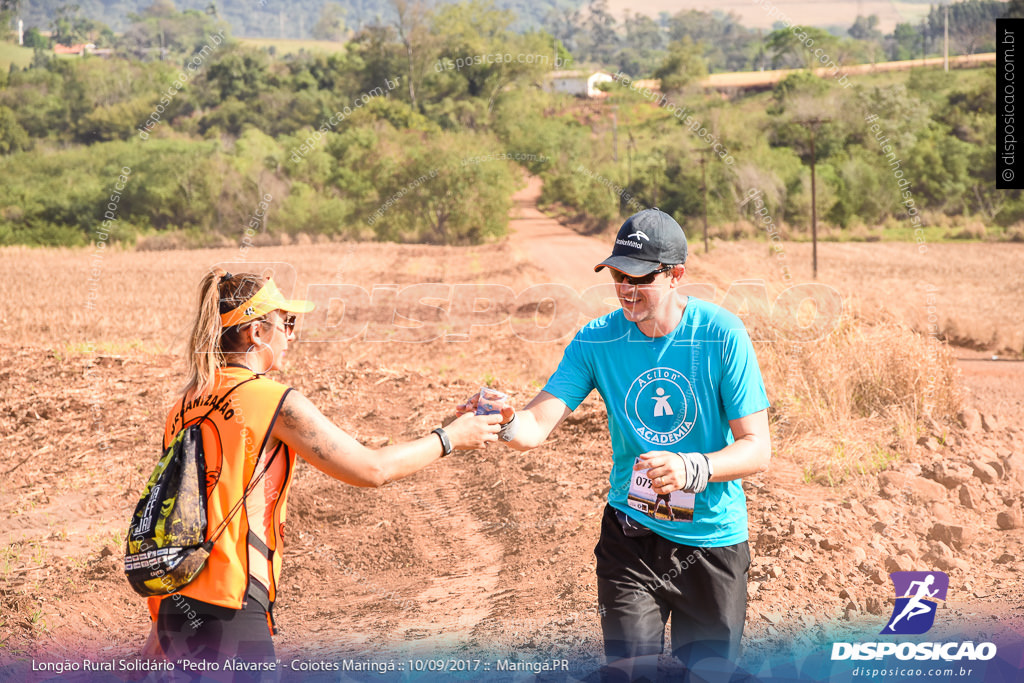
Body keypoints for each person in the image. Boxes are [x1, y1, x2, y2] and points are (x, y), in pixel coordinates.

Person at [458, 209, 771, 681]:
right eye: (619, 275)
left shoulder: (720, 333)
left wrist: (693, 468)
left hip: (710, 541)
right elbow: (536, 426)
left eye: (640, 278)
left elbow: (756, 448)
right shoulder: (596, 340)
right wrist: (504, 420)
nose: (626, 288)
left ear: (676, 275)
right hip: (632, 536)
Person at [145, 269, 502, 679]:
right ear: (257, 333)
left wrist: (158, 628)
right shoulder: (273, 401)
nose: (291, 335)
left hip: (176, 608)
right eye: (287, 323)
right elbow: (372, 469)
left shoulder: (184, 404)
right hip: (229, 610)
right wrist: (450, 437)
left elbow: (168, 517)